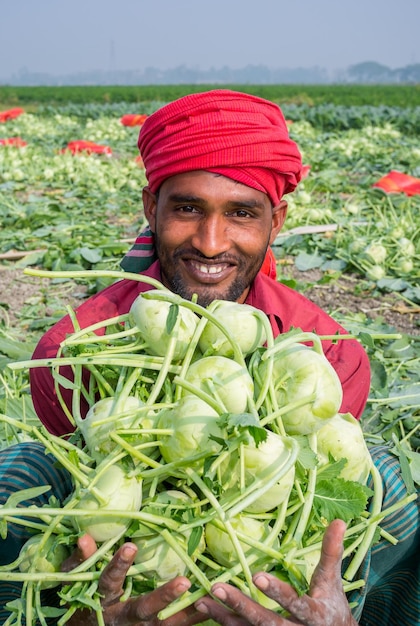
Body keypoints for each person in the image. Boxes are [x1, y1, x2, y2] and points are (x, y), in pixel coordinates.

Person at [0, 90, 418, 626]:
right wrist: (83, 613)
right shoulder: (74, 353)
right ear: (152, 207)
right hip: (136, 563)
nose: (211, 242)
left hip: (261, 562)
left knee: (389, 481)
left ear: (277, 220)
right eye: (188, 208)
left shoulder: (326, 353)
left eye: (241, 213)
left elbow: (305, 504)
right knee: (19, 472)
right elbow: (88, 488)